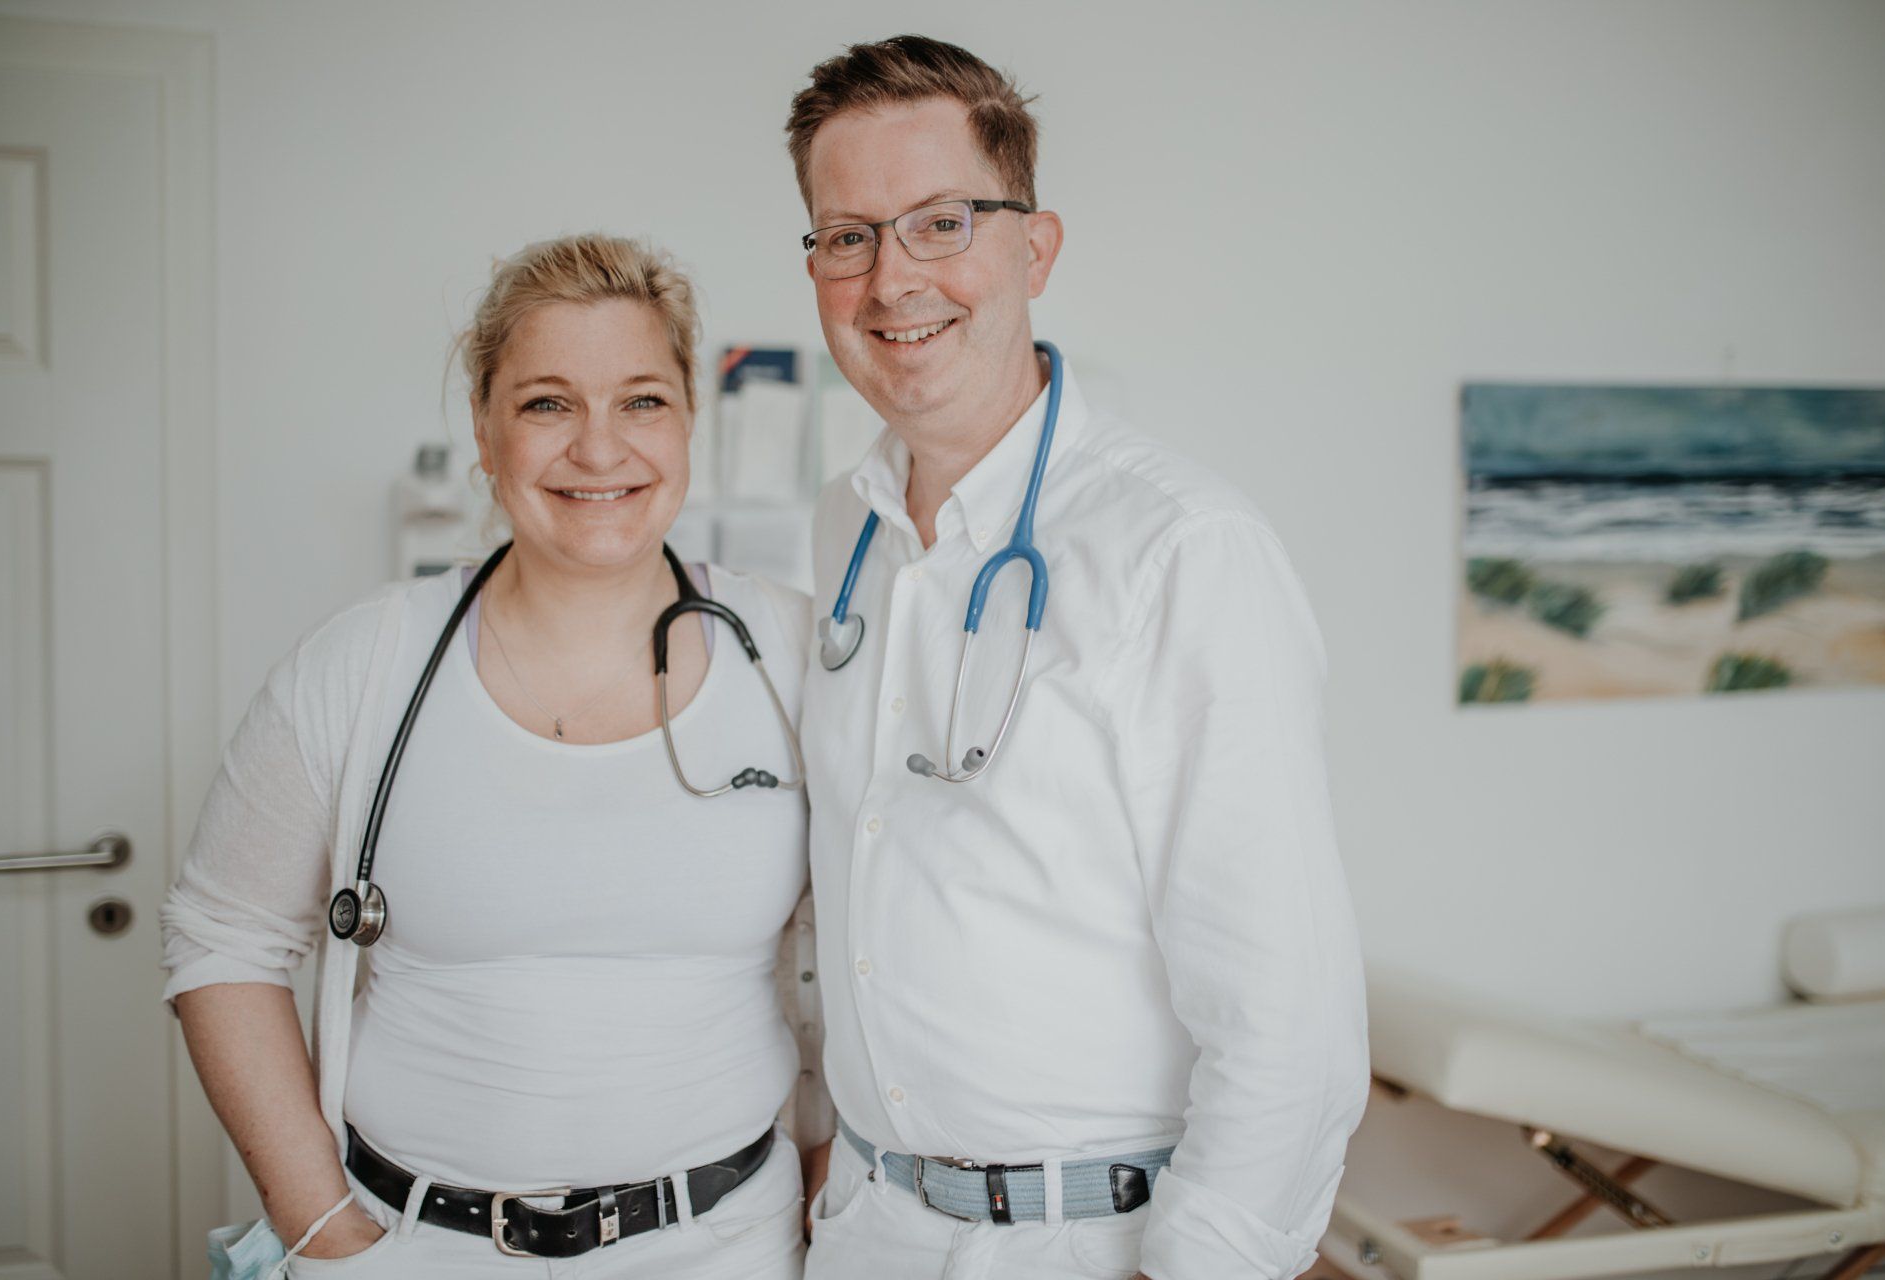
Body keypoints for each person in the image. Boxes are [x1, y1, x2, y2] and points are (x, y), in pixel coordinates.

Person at [786, 37, 1370, 1280]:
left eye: (941, 222)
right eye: (847, 237)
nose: (893, 279)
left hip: (1089, 1243)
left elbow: (1291, 1019)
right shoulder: (847, 530)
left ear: (1034, 248)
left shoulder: (1182, 550)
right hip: (867, 1232)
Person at [163, 234, 826, 1278]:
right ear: (483, 426)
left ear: (689, 416)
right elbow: (222, 940)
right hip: (416, 1246)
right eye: (547, 403)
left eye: (643, 400)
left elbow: (865, 945)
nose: (600, 450)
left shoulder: (792, 653)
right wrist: (325, 1232)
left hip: (732, 1243)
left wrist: (830, 1184)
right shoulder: (361, 666)